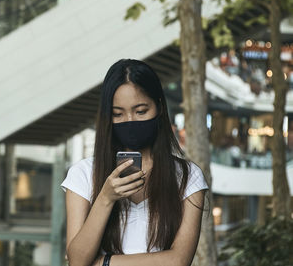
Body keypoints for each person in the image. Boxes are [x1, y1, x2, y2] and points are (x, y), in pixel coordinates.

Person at [61, 59, 208, 266]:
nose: (130, 120)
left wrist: (103, 263)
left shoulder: (188, 176)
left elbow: (178, 261)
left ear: (159, 107)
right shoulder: (82, 174)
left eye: (140, 111)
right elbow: (77, 261)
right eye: (118, 114)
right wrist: (105, 198)